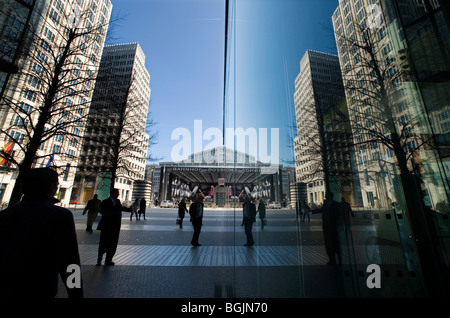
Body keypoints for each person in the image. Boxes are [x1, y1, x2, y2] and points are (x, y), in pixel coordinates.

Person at [0, 168, 83, 298]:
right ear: (51, 187)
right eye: (56, 184)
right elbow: (70, 260)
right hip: (41, 288)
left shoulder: (5, 215)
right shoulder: (61, 216)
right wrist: (76, 292)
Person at [97, 188, 132, 266]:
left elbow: (121, 208)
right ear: (112, 194)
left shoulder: (118, 202)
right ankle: (99, 260)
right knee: (103, 243)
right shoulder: (105, 202)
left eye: (118, 193)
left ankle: (108, 260)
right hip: (106, 226)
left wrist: (130, 209)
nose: (118, 195)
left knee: (113, 243)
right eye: (117, 193)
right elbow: (102, 211)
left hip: (115, 226)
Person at [313, 191, 341, 265]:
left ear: (331, 197)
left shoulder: (336, 204)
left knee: (336, 244)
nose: (325, 197)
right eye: (325, 196)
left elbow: (338, 215)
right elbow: (321, 210)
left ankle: (339, 260)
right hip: (326, 226)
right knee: (328, 244)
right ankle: (331, 259)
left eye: (326, 196)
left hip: (333, 227)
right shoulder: (325, 204)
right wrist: (312, 211)